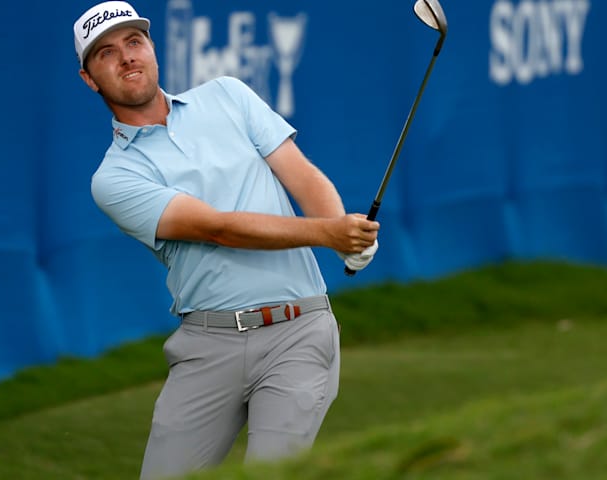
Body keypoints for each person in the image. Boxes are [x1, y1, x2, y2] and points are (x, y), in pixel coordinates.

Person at [73, 2, 380, 478]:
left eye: (134, 42)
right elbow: (217, 227)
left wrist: (346, 236)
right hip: (205, 345)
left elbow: (301, 176)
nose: (127, 57)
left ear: (152, 49)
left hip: (297, 330)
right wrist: (327, 233)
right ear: (90, 79)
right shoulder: (113, 178)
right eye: (106, 53)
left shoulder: (227, 95)